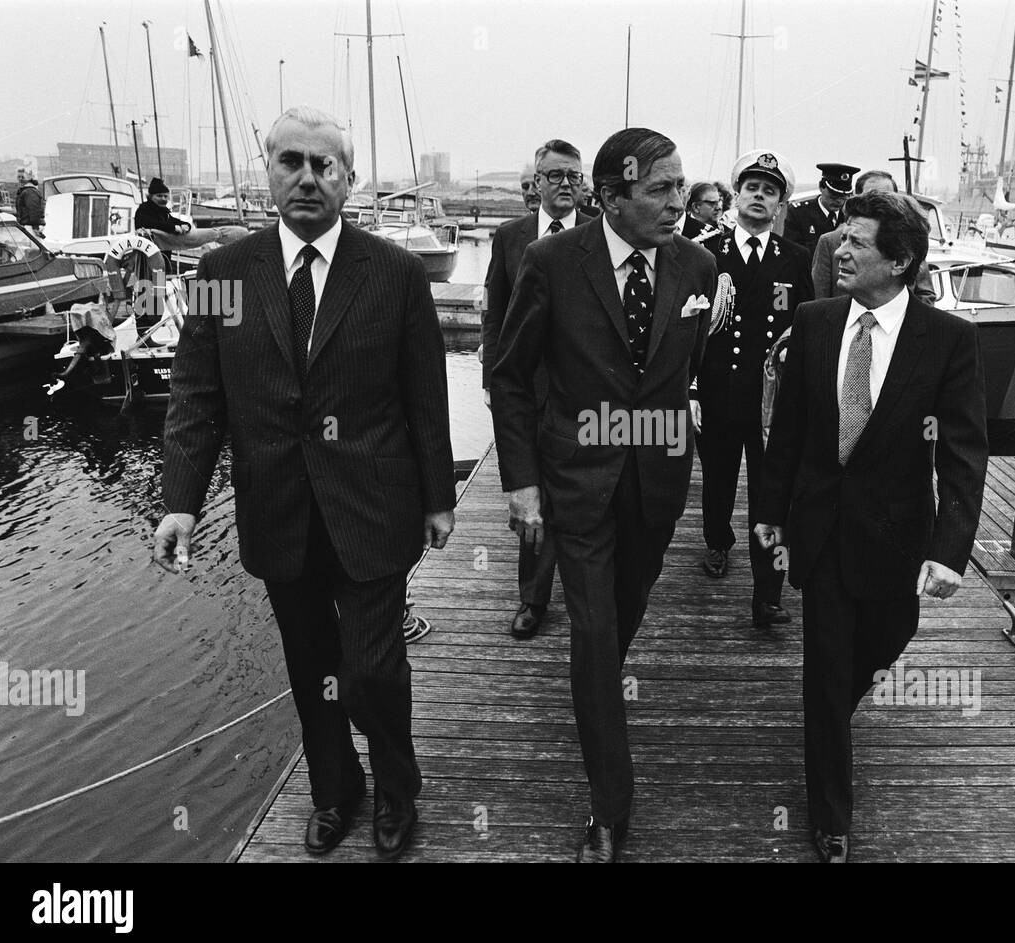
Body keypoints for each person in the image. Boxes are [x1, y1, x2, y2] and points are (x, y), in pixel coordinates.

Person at [154, 106, 456, 860]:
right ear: (268, 172)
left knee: (370, 668)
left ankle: (395, 784)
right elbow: (198, 395)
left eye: (325, 166)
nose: (308, 178)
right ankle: (335, 788)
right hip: (278, 509)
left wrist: (439, 499)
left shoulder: (395, 274)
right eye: (292, 161)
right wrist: (180, 503)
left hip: (374, 508)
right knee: (311, 665)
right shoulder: (223, 274)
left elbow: (425, 398)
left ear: (350, 180)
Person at [490, 126, 717, 862]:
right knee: (592, 638)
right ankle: (610, 807)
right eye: (660, 189)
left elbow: (685, 372)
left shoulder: (699, 265)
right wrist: (522, 481)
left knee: (620, 623)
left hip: (656, 488)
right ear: (609, 198)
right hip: (576, 487)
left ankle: (593, 696)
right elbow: (511, 375)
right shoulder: (552, 262)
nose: (678, 202)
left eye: (681, 186)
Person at [753, 190, 987, 862]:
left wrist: (950, 550)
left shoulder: (948, 340)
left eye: (857, 240)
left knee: (888, 637)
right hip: (822, 526)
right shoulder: (817, 320)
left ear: (901, 259)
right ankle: (831, 814)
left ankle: (828, 718)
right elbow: (788, 433)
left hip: (897, 533)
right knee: (825, 670)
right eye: (841, 236)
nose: (841, 249)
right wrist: (769, 513)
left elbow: (965, 450)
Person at [480, 139, 596, 638]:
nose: (564, 184)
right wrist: (493, 379)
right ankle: (533, 598)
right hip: (527, 389)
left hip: (583, 393)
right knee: (531, 496)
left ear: (584, 182)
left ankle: (588, 593)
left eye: (573, 176)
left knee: (584, 495)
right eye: (554, 176)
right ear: (536, 182)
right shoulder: (510, 238)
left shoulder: (600, 234)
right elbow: (495, 313)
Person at [695, 150, 813, 627]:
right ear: (736, 195)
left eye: (770, 190)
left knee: (772, 493)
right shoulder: (706, 252)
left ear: (781, 202)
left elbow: (805, 328)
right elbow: (690, 325)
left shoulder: (795, 259)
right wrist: (691, 390)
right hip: (719, 391)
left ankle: (768, 591)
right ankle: (718, 543)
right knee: (719, 479)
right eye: (751, 187)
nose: (759, 196)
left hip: (772, 404)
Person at [812, 170, 936, 304]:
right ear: (857, 196)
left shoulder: (908, 242)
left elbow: (925, 293)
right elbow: (819, 296)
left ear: (900, 263)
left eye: (888, 196)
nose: (840, 252)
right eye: (872, 195)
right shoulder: (829, 242)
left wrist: (908, 322)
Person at [782, 162, 858, 253]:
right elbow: (791, 252)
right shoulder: (799, 214)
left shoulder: (850, 217)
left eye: (843, 196)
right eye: (834, 195)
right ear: (821, 187)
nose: (839, 201)